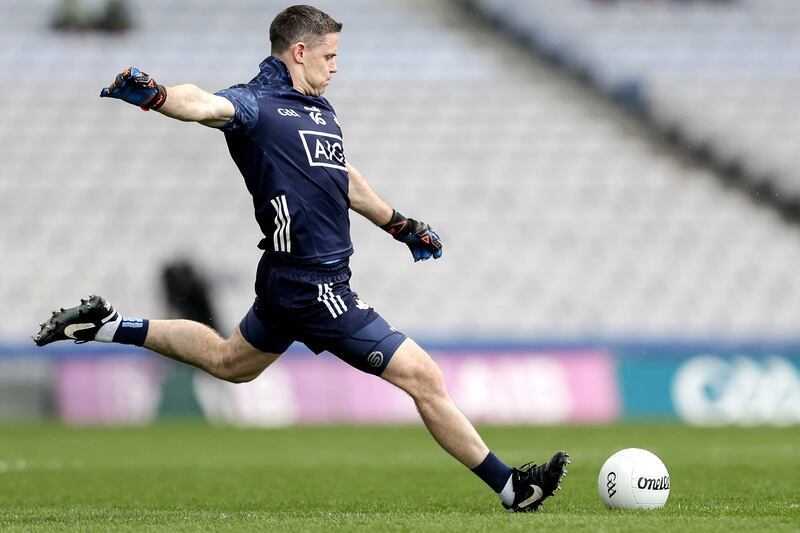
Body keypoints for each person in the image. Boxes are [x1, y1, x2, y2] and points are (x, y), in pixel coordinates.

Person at [33, 4, 568, 512]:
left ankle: (108, 327)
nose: (336, 66)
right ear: (300, 50)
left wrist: (399, 224)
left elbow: (346, 178)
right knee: (423, 377)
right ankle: (512, 487)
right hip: (314, 287)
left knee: (230, 362)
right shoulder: (255, 104)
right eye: (330, 56)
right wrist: (156, 95)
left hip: (294, 280)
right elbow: (203, 104)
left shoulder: (320, 110)